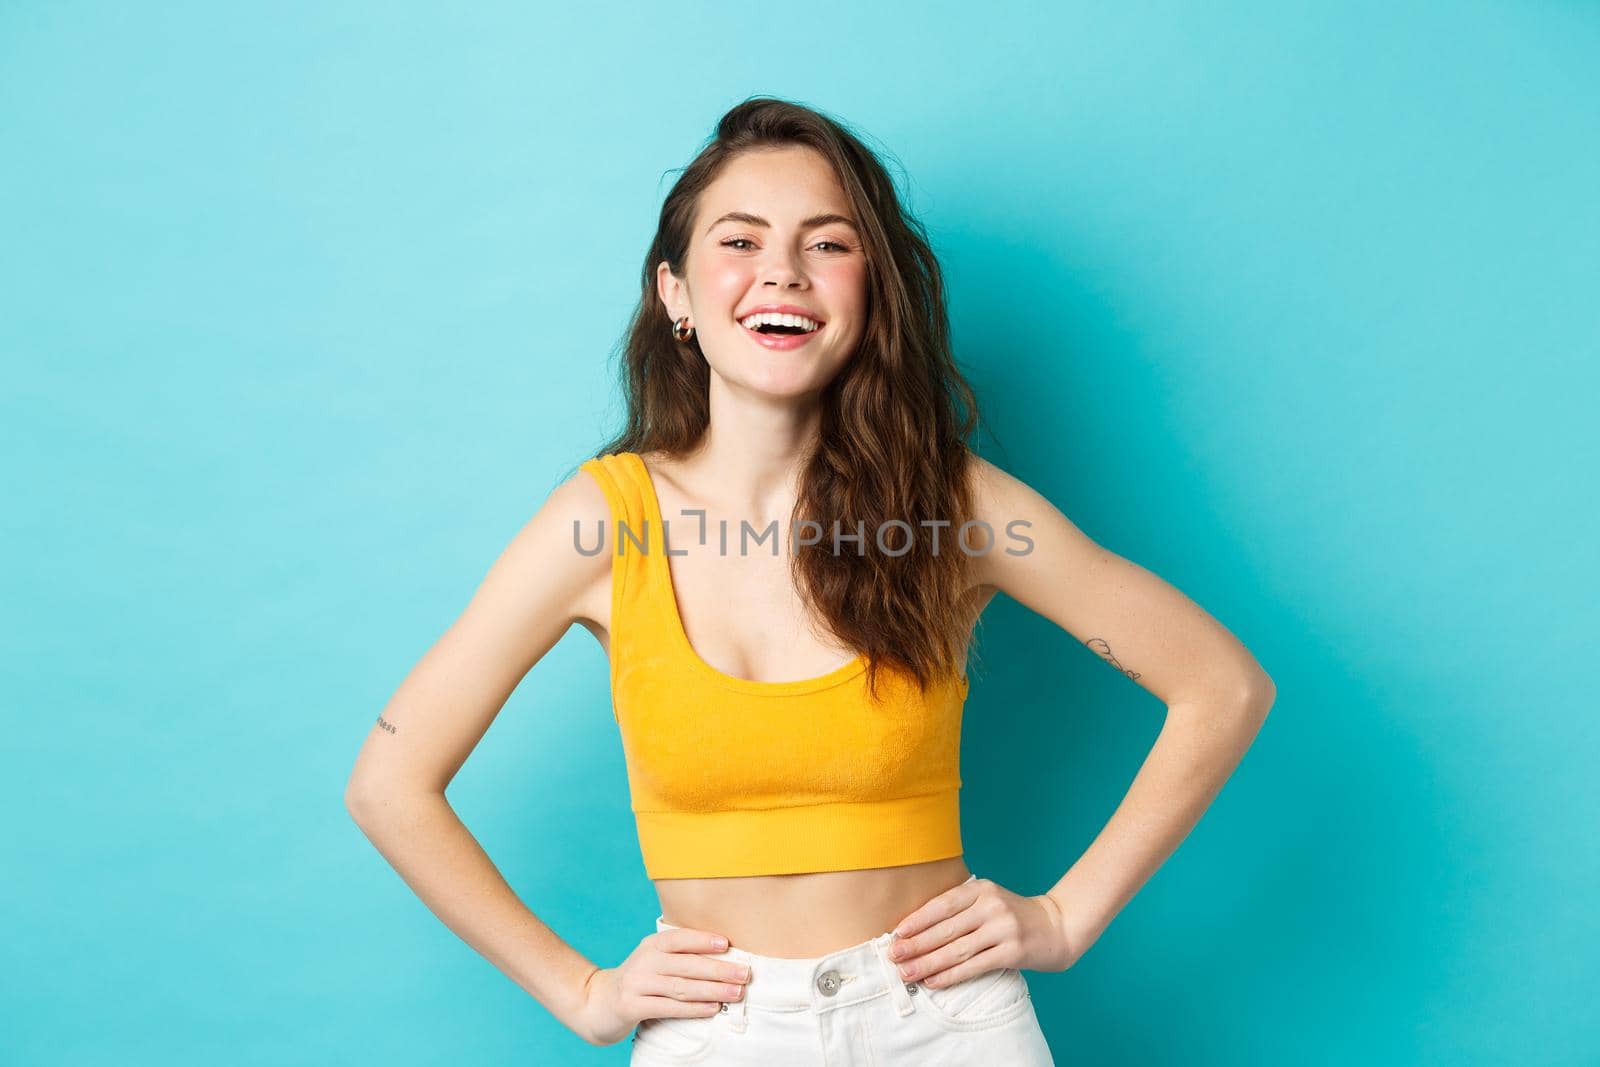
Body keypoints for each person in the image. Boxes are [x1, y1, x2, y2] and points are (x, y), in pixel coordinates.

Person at [344, 96, 1276, 1065]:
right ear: (674, 293)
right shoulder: (599, 525)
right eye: (739, 240)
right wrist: (582, 988)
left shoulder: (954, 508)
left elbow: (1221, 684)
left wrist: (1063, 916)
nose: (780, 272)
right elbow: (390, 780)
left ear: (870, 289)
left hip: (948, 1025)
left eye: (826, 244)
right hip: (717, 1033)